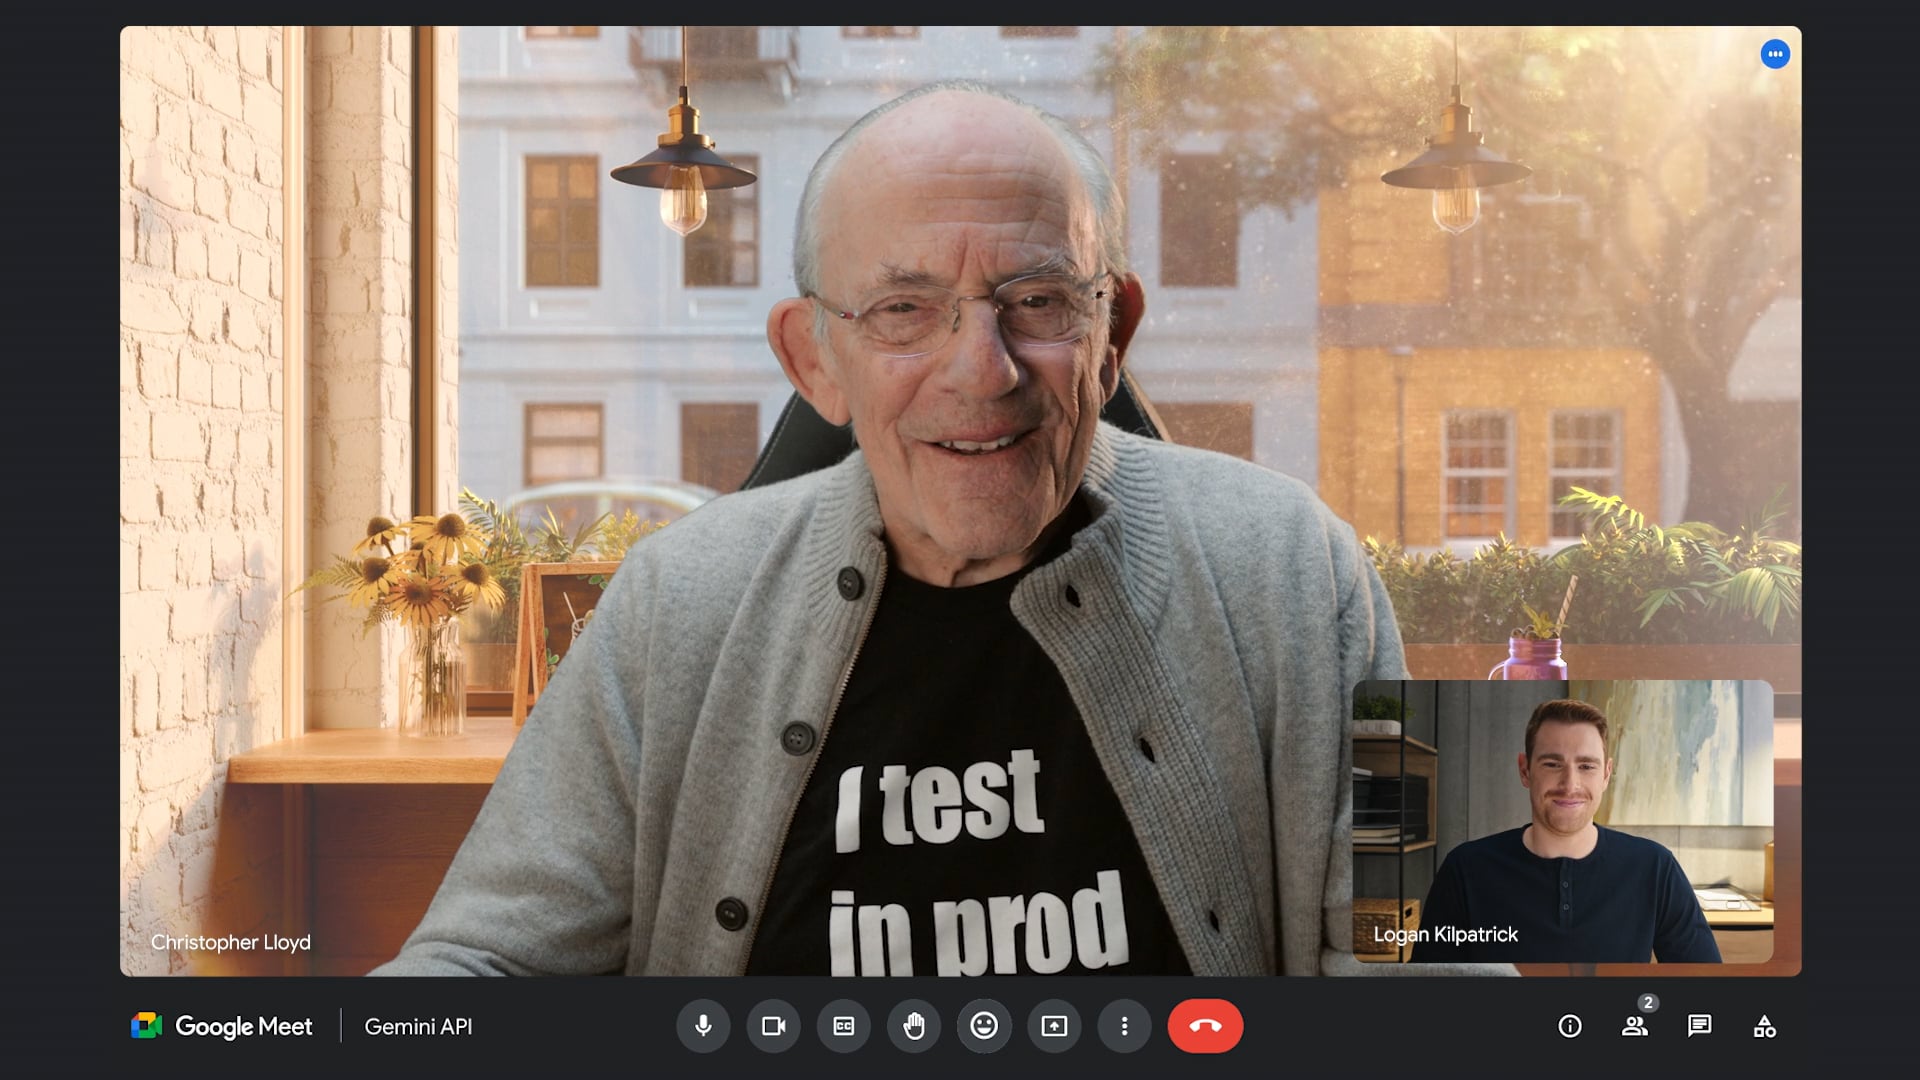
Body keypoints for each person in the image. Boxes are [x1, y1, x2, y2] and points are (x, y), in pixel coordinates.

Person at [373, 81, 1416, 977]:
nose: (983, 371)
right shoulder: (669, 603)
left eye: (1038, 299)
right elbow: (479, 960)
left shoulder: (1305, 571)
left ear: (1113, 337)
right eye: (903, 310)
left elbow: (1440, 958)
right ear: (813, 359)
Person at [1411, 699, 1722, 964]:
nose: (1570, 784)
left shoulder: (1654, 867)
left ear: (1606, 774)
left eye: (1586, 766)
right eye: (1552, 764)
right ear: (1525, 770)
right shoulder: (1466, 869)